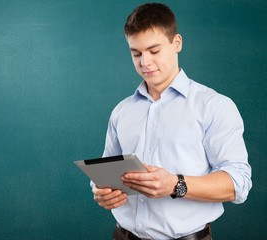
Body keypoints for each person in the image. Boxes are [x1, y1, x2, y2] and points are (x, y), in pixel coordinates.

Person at [91, 3, 252, 240]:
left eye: (154, 51)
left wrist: (175, 185)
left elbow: (238, 183)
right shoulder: (121, 111)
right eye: (136, 53)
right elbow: (105, 172)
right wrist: (101, 191)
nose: (144, 62)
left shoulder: (214, 106)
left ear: (176, 43)